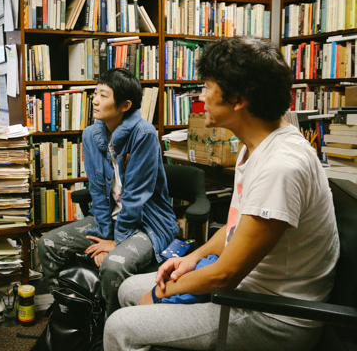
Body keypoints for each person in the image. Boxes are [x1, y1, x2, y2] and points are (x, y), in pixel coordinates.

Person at [104, 36, 340, 351]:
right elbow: (235, 227)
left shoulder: (281, 166)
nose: (201, 96)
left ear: (237, 99)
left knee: (120, 327)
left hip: (273, 316)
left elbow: (226, 273)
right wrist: (193, 258)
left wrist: (160, 294)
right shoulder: (255, 145)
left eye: (207, 86)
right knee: (130, 289)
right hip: (246, 291)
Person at [37, 68, 179, 317]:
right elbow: (96, 190)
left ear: (125, 105)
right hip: (110, 221)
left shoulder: (144, 134)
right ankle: (72, 311)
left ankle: (111, 326)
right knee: (47, 244)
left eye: (103, 95)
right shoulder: (92, 134)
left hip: (148, 223)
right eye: (95, 93)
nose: (94, 100)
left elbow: (136, 196)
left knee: (113, 266)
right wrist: (104, 234)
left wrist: (116, 242)